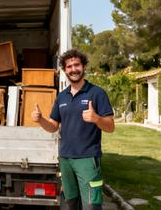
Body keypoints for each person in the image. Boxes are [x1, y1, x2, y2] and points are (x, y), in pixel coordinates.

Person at [32, 49, 114, 210]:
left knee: (92, 205)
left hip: (87, 159)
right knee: (70, 204)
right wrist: (41, 120)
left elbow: (110, 126)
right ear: (64, 70)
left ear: (83, 67)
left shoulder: (97, 93)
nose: (73, 69)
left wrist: (96, 118)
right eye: (69, 66)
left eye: (77, 65)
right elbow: (53, 126)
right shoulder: (62, 96)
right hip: (66, 159)